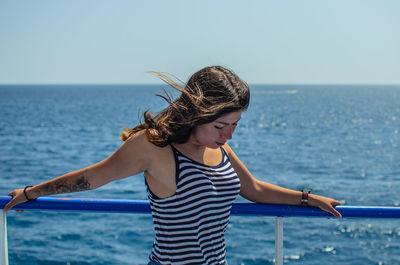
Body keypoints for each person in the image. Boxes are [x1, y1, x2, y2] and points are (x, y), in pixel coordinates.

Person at [4, 66, 342, 265]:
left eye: (235, 125)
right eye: (220, 125)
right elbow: (93, 177)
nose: (228, 135)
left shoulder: (218, 148)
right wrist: (32, 192)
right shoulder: (155, 147)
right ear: (198, 113)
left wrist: (308, 199)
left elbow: (252, 189)